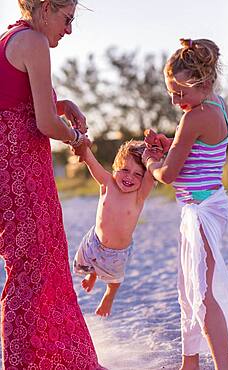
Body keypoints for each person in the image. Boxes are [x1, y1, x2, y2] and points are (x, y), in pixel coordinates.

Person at [0, 1, 105, 368]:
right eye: (68, 18)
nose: (69, 29)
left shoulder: (10, 38)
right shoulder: (32, 40)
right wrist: (76, 137)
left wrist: (63, 105)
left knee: (32, 268)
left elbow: (16, 105)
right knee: (34, 271)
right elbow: (44, 123)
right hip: (20, 173)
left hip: (15, 171)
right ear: (45, 8)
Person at [142, 38, 228, 370]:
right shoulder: (216, 106)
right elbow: (198, 148)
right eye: (171, 91)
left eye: (180, 93)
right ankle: (190, 363)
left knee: (201, 293)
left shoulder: (194, 117)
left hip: (200, 210)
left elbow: (170, 173)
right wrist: (171, 143)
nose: (174, 100)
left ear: (204, 83)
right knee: (190, 286)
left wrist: (149, 162)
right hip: (209, 205)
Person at [73, 140, 155, 317]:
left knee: (115, 279)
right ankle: (92, 274)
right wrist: (81, 142)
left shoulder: (139, 195)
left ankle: (109, 296)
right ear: (115, 168)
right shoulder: (107, 183)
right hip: (94, 240)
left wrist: (154, 155)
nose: (129, 177)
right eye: (125, 170)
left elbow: (153, 173)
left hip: (117, 252)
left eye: (137, 174)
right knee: (85, 261)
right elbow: (90, 161)